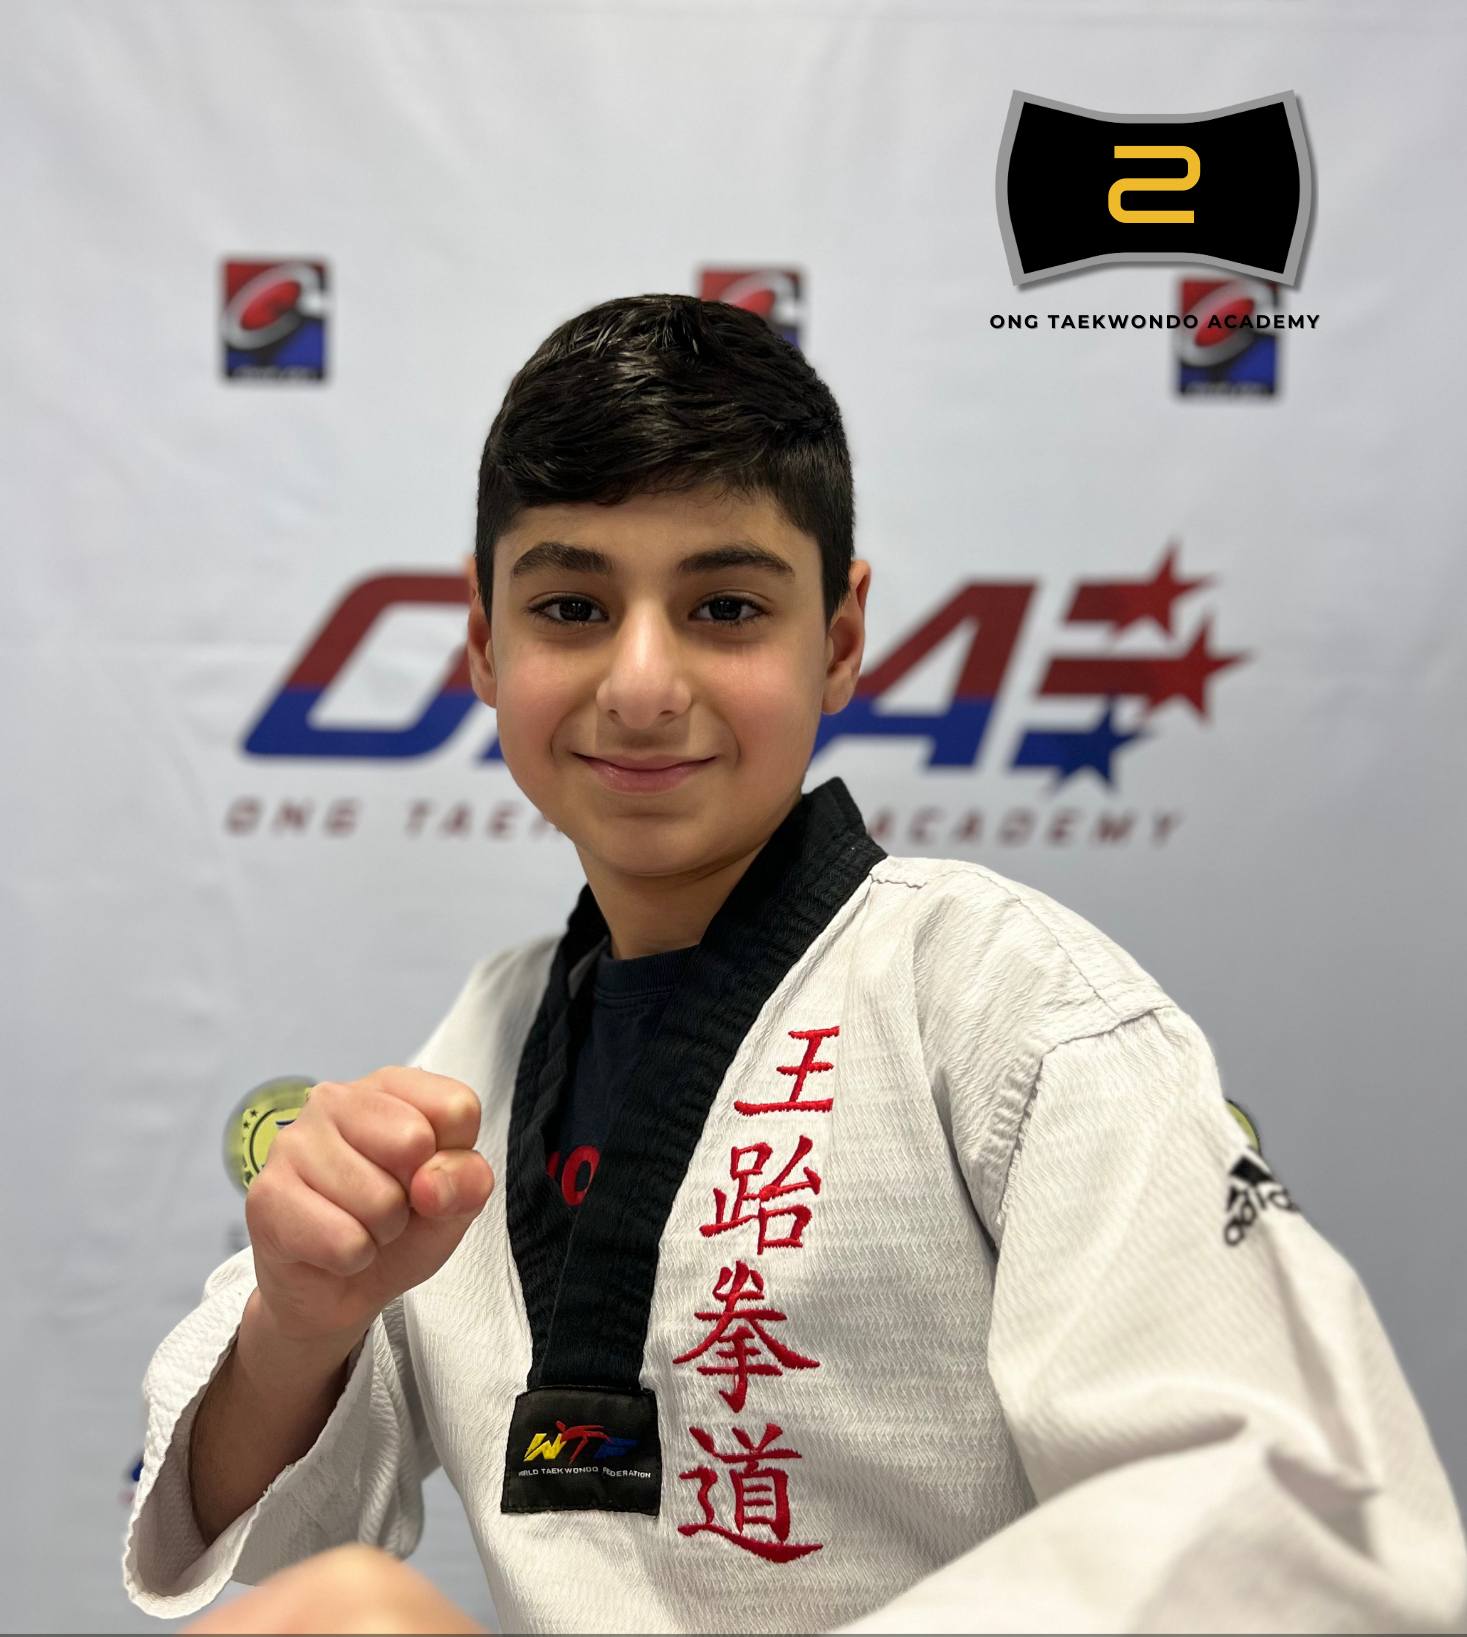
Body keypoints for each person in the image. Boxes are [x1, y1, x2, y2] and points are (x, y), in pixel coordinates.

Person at [126, 294, 1465, 1633]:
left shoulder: (1001, 998)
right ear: (485, 643)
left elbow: (1285, 1510)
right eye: (571, 606)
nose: (641, 684)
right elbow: (257, 1519)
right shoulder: (489, 1038)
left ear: (837, 637)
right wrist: (301, 1321)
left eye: (723, 607)